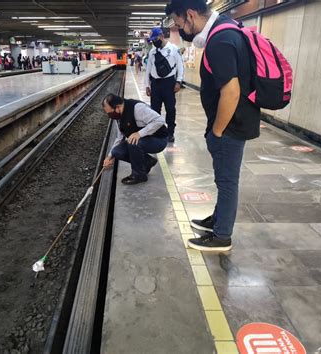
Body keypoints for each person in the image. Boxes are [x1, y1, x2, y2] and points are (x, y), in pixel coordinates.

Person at [166, 0, 261, 252]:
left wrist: (217, 131)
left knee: (227, 181)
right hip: (235, 122)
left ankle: (222, 236)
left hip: (230, 126)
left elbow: (230, 91)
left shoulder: (220, 40)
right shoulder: (228, 27)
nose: (180, 30)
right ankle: (218, 220)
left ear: (190, 15)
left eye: (178, 25)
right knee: (224, 179)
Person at [102, 94, 168, 185]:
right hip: (144, 139)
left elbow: (160, 120)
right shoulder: (118, 116)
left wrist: (139, 134)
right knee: (117, 152)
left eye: (109, 113)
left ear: (117, 107)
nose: (109, 115)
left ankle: (139, 175)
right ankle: (147, 162)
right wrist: (109, 156)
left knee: (133, 142)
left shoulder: (137, 108)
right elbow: (120, 137)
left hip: (159, 139)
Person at [145, 27, 184, 143]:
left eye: (155, 39)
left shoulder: (173, 49)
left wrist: (178, 81)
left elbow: (180, 66)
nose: (154, 42)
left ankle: (170, 133)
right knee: (154, 110)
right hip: (156, 84)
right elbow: (148, 69)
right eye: (152, 40)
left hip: (169, 83)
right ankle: (157, 132)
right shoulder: (152, 52)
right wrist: (147, 85)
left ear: (161, 36)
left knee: (170, 109)